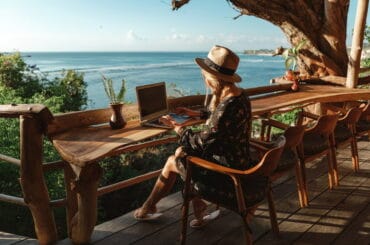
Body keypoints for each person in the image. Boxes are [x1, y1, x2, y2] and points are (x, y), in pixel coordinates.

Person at [134, 45, 253, 227]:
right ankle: (197, 210)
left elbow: (200, 142)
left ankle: (149, 207)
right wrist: (195, 114)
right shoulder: (239, 96)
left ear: (212, 79)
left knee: (174, 160)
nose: (203, 77)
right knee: (183, 152)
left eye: (204, 75)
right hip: (240, 160)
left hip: (229, 174)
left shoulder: (226, 107)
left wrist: (177, 127)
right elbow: (220, 121)